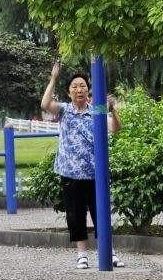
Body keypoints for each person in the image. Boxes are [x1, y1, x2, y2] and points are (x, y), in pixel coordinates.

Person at [41, 62, 124, 269]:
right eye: (75, 87)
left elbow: (115, 129)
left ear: (88, 90)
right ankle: (82, 255)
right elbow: (45, 104)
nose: (79, 89)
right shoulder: (64, 111)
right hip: (70, 173)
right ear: (69, 92)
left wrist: (113, 111)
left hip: (96, 173)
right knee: (75, 215)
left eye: (83, 86)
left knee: (101, 213)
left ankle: (109, 252)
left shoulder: (96, 110)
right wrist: (53, 78)